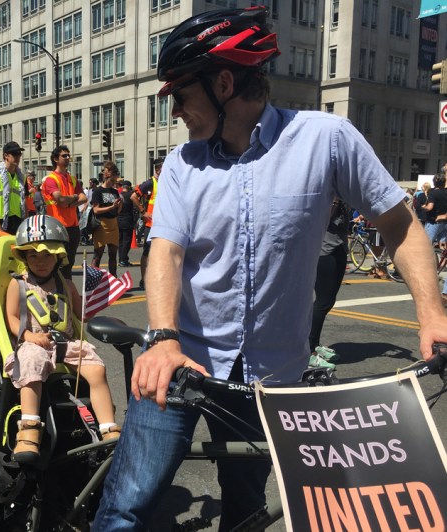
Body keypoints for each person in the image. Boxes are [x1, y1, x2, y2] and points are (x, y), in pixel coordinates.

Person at [92, 8, 447, 531]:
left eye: (181, 96)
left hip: (271, 378)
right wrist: (164, 337)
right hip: (181, 359)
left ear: (225, 83)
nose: (177, 113)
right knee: (127, 507)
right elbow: (164, 251)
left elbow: (400, 225)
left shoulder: (326, 138)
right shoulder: (182, 165)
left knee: (246, 511)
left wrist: (432, 315)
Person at [4, 215, 120, 462]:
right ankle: (29, 429)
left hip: (65, 342)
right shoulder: (19, 285)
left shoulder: (65, 284)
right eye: (33, 256)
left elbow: (81, 314)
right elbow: (12, 318)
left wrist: (91, 296)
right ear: (24, 258)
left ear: (58, 256)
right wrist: (28, 335)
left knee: (96, 369)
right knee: (31, 364)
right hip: (33, 341)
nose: (41, 261)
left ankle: (108, 427)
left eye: (47, 255)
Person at [308, 199, 350, 368]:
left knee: (328, 300)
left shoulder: (343, 189)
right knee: (323, 301)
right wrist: (335, 199)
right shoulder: (329, 192)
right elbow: (323, 217)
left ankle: (315, 344)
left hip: (339, 246)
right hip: (324, 250)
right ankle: (307, 350)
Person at [41, 146, 87, 278]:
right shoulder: (51, 179)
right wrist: (74, 198)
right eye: (64, 156)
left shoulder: (72, 179)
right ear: (56, 159)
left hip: (73, 226)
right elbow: (59, 199)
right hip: (58, 226)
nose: (68, 158)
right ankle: (59, 291)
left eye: (68, 155)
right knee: (59, 263)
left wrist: (68, 203)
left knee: (69, 262)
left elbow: (84, 198)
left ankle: (67, 290)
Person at [130, 157, 164, 290]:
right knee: (147, 253)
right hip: (151, 225)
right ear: (157, 169)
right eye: (163, 168)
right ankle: (144, 279)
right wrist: (143, 211)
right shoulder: (150, 183)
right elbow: (133, 196)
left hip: (163, 225)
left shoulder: (167, 182)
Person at [0, 142, 27, 235]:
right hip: (1, 221)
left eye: (19, 154)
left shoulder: (22, 178)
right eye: (14, 154)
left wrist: (25, 224)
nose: (18, 157)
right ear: (6, 156)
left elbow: (25, 203)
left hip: (17, 222)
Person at [91, 161, 122, 277]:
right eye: (114, 176)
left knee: (113, 254)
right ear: (109, 175)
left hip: (113, 224)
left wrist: (119, 206)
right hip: (101, 224)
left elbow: (117, 211)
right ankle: (93, 280)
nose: (115, 180)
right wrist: (112, 206)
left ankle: (113, 279)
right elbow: (96, 210)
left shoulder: (115, 192)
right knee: (98, 254)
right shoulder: (98, 191)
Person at [117, 181, 135, 268]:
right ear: (129, 187)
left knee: (120, 241)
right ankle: (124, 260)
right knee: (126, 241)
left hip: (118, 220)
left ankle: (120, 259)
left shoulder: (119, 195)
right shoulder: (130, 195)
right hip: (127, 220)